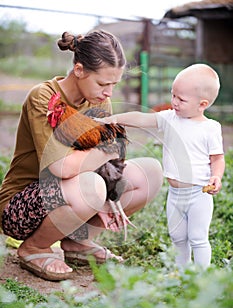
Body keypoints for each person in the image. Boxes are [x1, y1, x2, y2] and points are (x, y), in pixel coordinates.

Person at [0, 30, 163, 281]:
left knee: (150, 172)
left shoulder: (99, 101)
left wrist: (111, 186)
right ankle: (36, 247)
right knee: (93, 185)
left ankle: (77, 243)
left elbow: (111, 158)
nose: (109, 92)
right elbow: (61, 168)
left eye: (114, 84)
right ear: (78, 70)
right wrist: (105, 153)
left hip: (77, 187)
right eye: (102, 83)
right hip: (22, 204)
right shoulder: (43, 97)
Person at [99, 63, 225, 269]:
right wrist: (115, 118)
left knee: (198, 237)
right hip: (175, 194)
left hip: (199, 193)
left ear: (202, 104)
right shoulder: (169, 118)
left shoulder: (210, 128)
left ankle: (201, 276)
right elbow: (142, 118)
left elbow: (217, 159)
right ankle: (181, 271)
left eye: (181, 99)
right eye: (173, 95)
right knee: (177, 237)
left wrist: (217, 176)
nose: (174, 102)